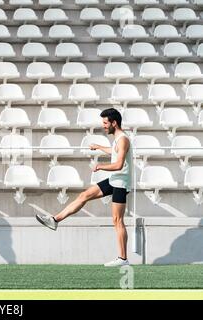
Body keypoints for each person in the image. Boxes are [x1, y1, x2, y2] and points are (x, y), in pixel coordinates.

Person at [36, 108, 133, 267]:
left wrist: (100, 167)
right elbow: (114, 152)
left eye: (105, 123)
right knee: (84, 195)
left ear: (114, 123)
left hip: (121, 183)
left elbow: (119, 164)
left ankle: (123, 259)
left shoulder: (123, 139)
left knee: (117, 220)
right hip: (114, 179)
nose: (103, 126)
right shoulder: (117, 139)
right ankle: (55, 220)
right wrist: (100, 147)